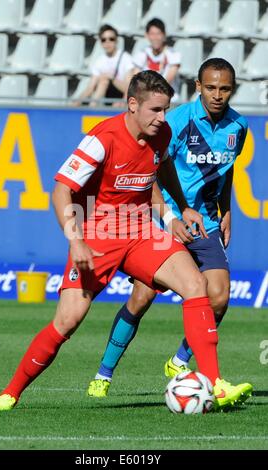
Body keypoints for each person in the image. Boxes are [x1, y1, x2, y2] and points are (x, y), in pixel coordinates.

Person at [0, 70, 246, 412]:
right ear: (132, 104)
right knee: (68, 321)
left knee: (196, 285)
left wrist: (175, 212)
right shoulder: (102, 139)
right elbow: (61, 189)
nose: (162, 118)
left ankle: (214, 384)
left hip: (141, 231)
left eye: (166, 109)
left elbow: (160, 169)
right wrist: (75, 239)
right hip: (99, 234)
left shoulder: (162, 133)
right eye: (155, 110)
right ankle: (11, 392)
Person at [87, 59, 253, 407]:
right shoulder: (175, 121)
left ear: (232, 89)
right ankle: (103, 374)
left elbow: (226, 172)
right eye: (211, 87)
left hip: (206, 222)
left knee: (219, 297)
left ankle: (180, 361)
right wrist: (168, 216)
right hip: (171, 221)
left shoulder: (239, 127)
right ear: (198, 86)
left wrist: (226, 211)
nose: (217, 95)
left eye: (225, 89)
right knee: (141, 298)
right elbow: (155, 169)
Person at [75, 24, 135, 107]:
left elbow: (129, 88)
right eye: (104, 39)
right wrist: (75, 103)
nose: (107, 42)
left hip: (123, 96)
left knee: (105, 79)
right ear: (100, 42)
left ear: (116, 40)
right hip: (107, 96)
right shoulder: (100, 61)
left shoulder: (126, 58)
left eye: (111, 39)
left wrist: (112, 78)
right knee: (103, 81)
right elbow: (90, 87)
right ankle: (91, 108)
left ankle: (92, 108)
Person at [132, 18, 181, 102]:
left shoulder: (173, 54)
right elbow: (136, 79)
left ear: (164, 35)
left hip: (168, 97)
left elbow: (167, 82)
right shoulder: (141, 54)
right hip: (145, 98)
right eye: (152, 34)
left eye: (158, 33)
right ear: (147, 35)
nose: (155, 37)